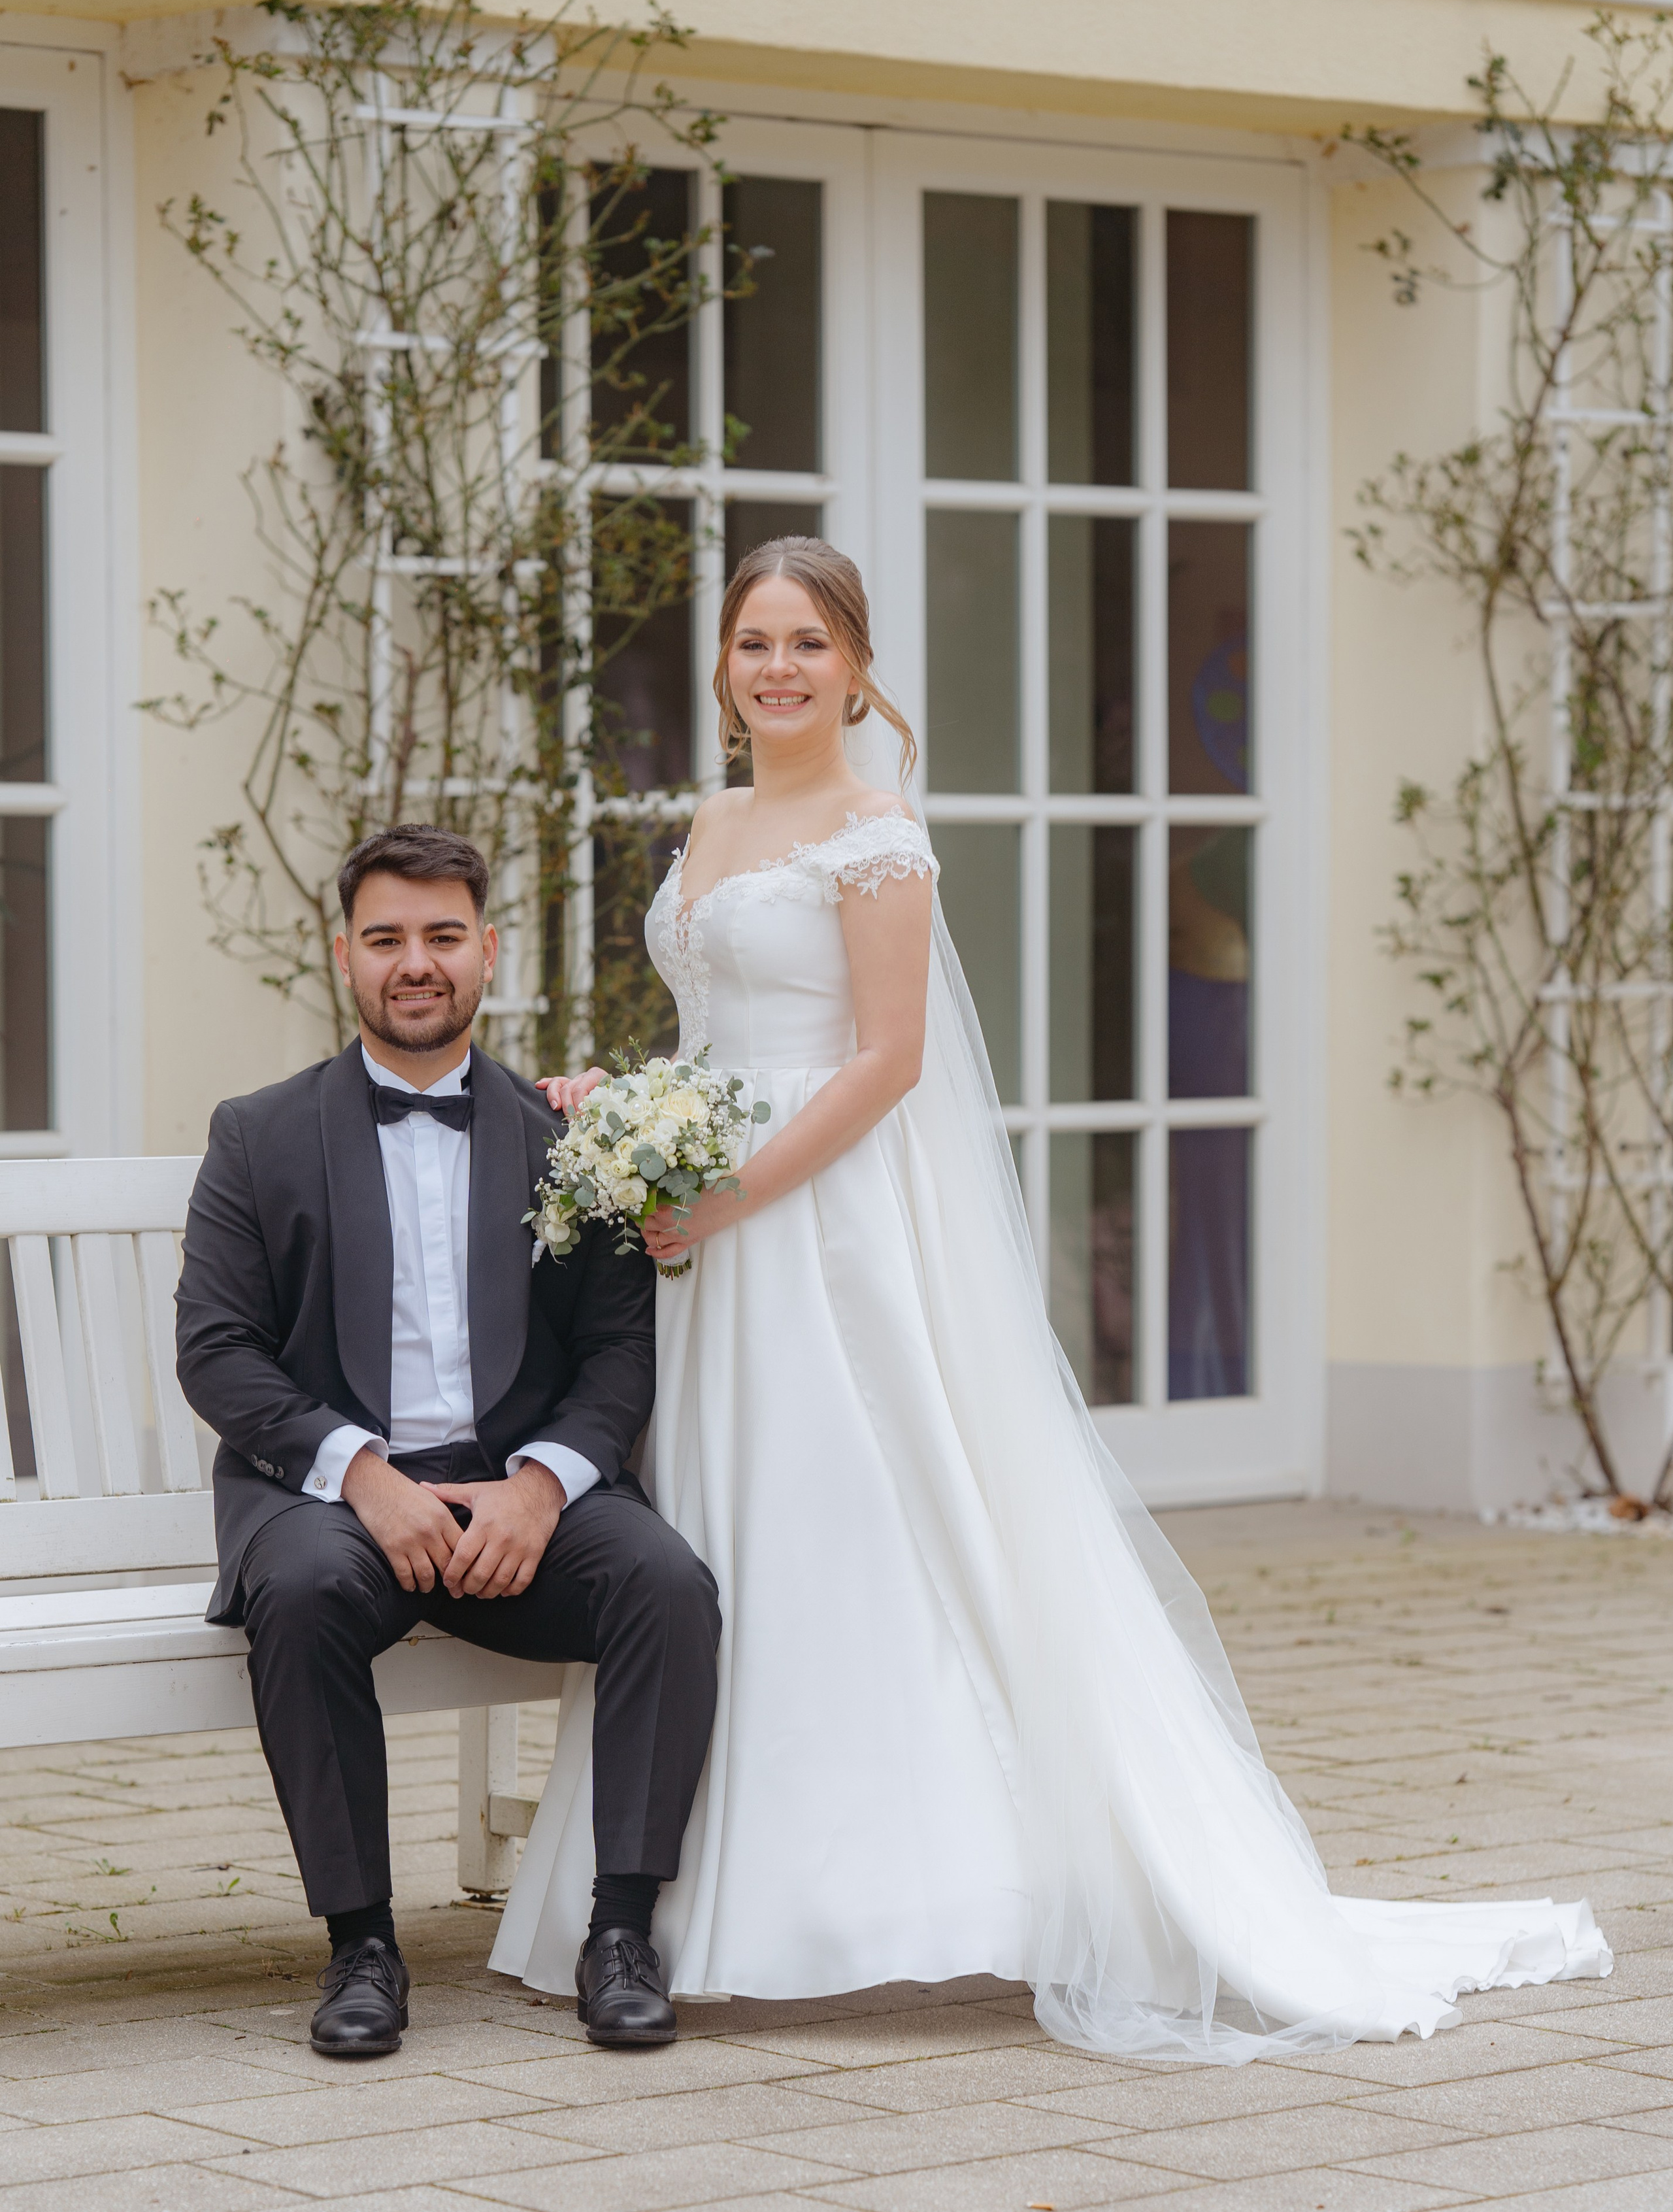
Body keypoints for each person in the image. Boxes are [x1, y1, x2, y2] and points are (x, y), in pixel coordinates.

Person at [492, 538, 1613, 2060]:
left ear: (855, 665)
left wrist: (731, 1189)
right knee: (712, 1533)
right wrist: (628, 1105)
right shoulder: (711, 816)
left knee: (845, 1519)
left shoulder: (876, 831)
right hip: (707, 1226)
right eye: (753, 641)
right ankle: (670, 1891)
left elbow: (884, 1060)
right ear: (723, 665)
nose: (777, 668)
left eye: (807, 643)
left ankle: (893, 1889)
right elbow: (723, 1032)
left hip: (819, 1223)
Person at [176, 825, 720, 2058]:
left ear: (486, 951)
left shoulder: (567, 1137)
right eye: (385, 940)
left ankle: (622, 1928)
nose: (413, 964)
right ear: (344, 958)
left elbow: (617, 1353)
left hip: (515, 1503)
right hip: (335, 1502)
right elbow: (218, 1351)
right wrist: (362, 1480)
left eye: (440, 937)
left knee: (667, 1584)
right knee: (304, 1590)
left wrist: (541, 1488)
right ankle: (362, 1945)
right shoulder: (257, 1136)